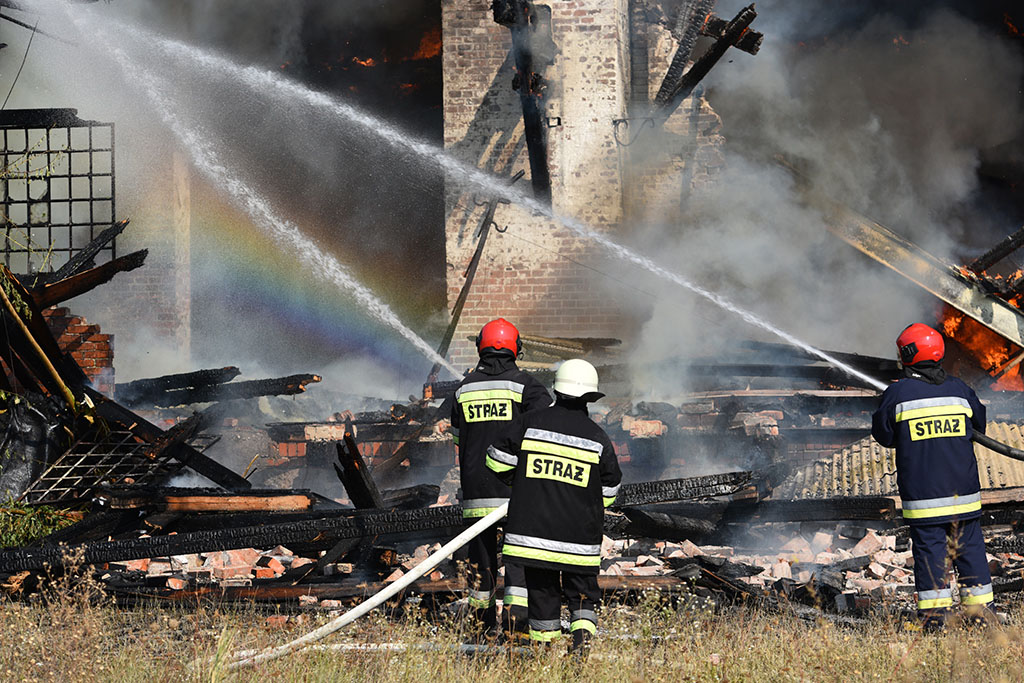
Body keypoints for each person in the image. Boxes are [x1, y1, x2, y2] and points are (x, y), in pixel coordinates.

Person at [486, 358, 622, 656]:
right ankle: (581, 649)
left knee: (542, 596)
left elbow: (495, 459)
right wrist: (583, 500)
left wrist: (523, 483)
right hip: (579, 542)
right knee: (583, 597)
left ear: (556, 390)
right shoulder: (598, 438)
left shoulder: (529, 422)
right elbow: (609, 492)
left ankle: (544, 656)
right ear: (590, 397)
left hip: (534, 540)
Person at [871, 322, 994, 629]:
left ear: (907, 355)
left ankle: (936, 621)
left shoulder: (897, 394)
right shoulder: (960, 390)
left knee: (930, 558)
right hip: (964, 498)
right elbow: (979, 424)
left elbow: (883, 435)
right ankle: (981, 616)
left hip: (924, 500)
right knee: (971, 552)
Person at [450, 318, 551, 636]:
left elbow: (458, 439)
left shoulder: (463, 390)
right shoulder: (528, 387)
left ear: (480, 347)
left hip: (476, 491)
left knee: (480, 562)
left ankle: (480, 629)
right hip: (518, 491)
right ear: (516, 349)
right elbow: (546, 434)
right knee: (519, 560)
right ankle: (515, 628)